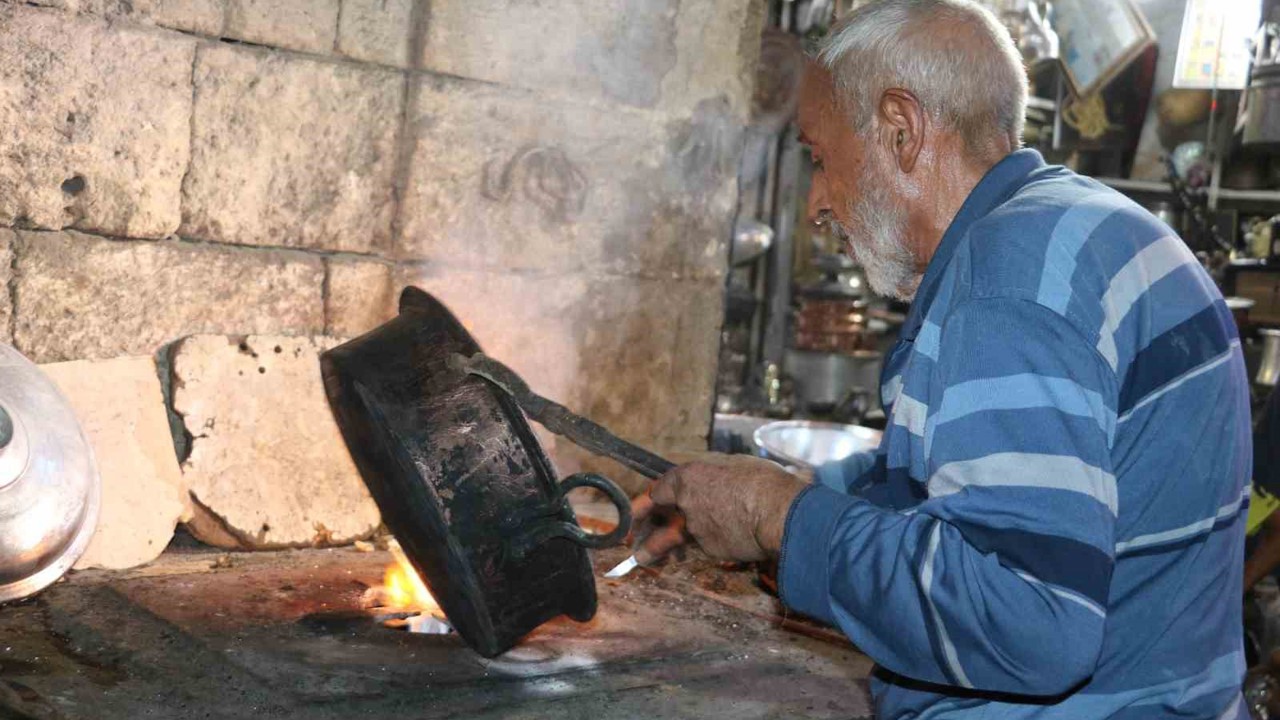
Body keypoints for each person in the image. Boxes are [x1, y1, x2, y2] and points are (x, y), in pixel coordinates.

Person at [633, 0, 1253, 716]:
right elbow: (965, 480)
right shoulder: (1083, 230)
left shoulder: (1004, 287)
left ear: (901, 129)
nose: (817, 205)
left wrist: (781, 516)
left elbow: (1031, 624)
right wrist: (801, 485)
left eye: (821, 159)